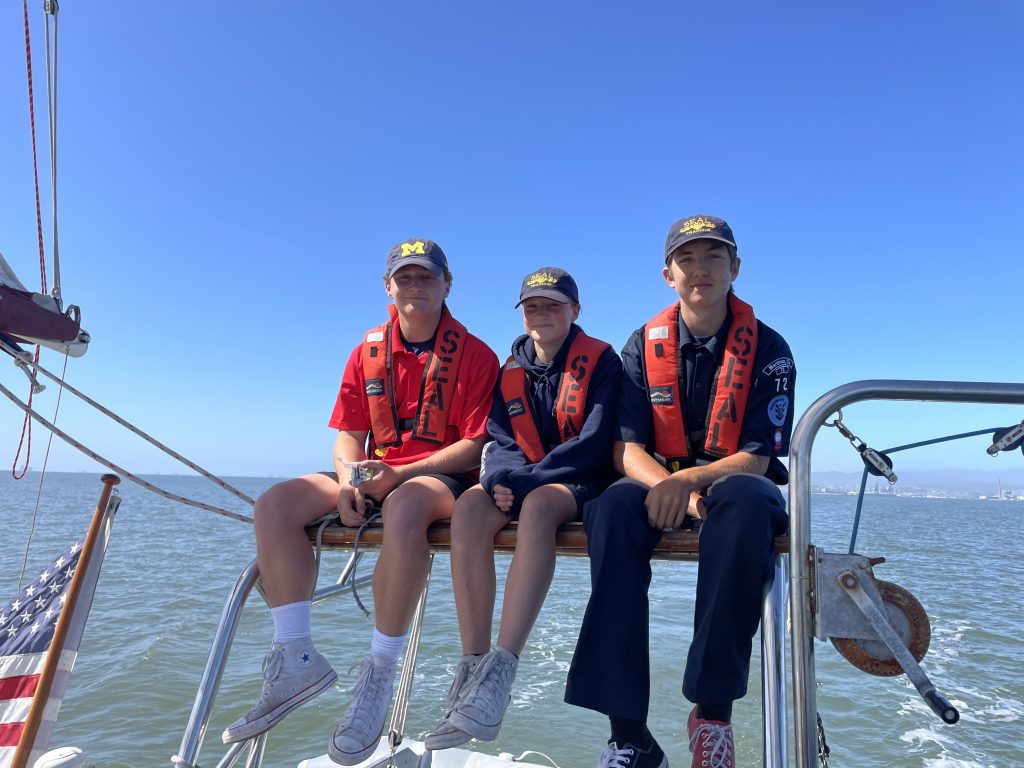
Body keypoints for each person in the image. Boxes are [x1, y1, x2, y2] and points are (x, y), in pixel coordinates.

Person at [221, 238, 499, 766]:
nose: (415, 286)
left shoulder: (477, 355)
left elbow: (475, 442)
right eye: (405, 277)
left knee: (407, 505)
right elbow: (348, 435)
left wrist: (401, 474)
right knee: (275, 506)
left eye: (427, 277)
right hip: (372, 474)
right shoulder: (366, 350)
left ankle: (379, 673)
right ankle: (296, 656)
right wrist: (350, 479)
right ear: (388, 286)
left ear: (447, 285)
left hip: (440, 479)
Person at [563, 216, 796, 768]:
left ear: (734, 269)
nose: (700, 269)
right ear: (668, 274)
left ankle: (712, 717)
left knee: (744, 504)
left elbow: (760, 455)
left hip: (733, 486)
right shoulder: (642, 346)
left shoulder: (770, 347)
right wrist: (669, 484)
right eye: (687, 259)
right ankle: (629, 736)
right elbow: (624, 449)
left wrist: (690, 482)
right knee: (611, 509)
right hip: (657, 482)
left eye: (713, 257)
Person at [424, 267, 622, 751]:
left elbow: (596, 444)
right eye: (533, 306)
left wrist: (525, 481)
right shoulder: (510, 370)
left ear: (575, 311)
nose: (542, 314)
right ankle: (473, 665)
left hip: (578, 480)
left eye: (553, 305)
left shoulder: (602, 361)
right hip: (521, 478)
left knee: (535, 508)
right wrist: (496, 479)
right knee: (469, 510)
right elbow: (500, 439)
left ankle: (502, 669)